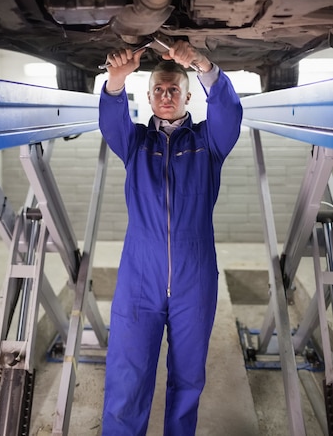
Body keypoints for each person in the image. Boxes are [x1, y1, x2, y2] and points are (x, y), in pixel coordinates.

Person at [98, 39, 243, 436]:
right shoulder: (136, 144)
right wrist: (115, 83)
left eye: (173, 89)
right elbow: (112, 123)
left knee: (187, 379)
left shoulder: (206, 144)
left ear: (187, 95)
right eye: (158, 90)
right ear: (147, 96)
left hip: (194, 279)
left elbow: (229, 113)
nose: (165, 96)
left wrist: (202, 62)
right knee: (128, 376)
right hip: (139, 277)